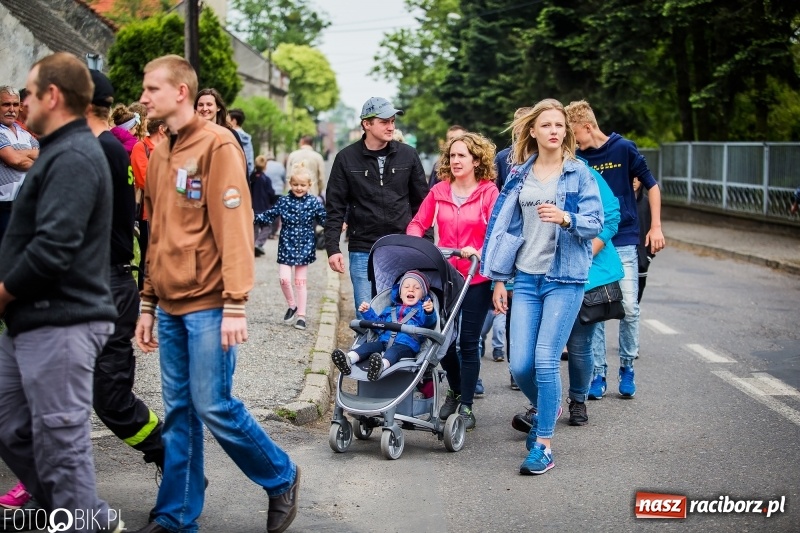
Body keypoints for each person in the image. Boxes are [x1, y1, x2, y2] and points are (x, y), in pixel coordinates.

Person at [135, 54, 300, 533]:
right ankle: (176, 516)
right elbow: (159, 232)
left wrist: (235, 302)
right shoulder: (162, 150)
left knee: (213, 404)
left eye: (152, 88)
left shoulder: (218, 145)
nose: (144, 97)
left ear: (181, 92)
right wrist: (148, 301)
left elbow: (233, 226)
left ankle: (281, 475)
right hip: (169, 305)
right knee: (180, 412)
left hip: (210, 303)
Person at [0, 52, 123, 531]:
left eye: (28, 93)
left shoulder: (73, 154)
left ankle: (79, 519)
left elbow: (54, 249)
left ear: (52, 96)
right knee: (9, 422)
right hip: (32, 319)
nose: (21, 102)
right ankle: (83, 517)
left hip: (62, 319)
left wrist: (3, 293)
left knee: (60, 443)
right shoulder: (56, 149)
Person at [482, 98, 602, 475]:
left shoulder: (578, 173)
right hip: (526, 278)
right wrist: (499, 280)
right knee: (520, 366)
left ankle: (544, 444)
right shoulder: (519, 174)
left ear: (566, 132)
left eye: (559, 125)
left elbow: (595, 222)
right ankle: (550, 405)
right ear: (532, 131)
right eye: (546, 125)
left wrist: (567, 217)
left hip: (564, 278)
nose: (554, 130)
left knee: (546, 359)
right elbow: (505, 230)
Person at [565, 99, 666, 399]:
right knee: (595, 313)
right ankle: (598, 373)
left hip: (623, 239)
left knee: (630, 308)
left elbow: (652, 185)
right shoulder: (578, 159)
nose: (573, 142)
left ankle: (627, 366)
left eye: (575, 134)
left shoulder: (624, 149)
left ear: (586, 126)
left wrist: (656, 226)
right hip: (593, 242)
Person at [511, 169, 622, 432]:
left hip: (581, 271)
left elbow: (610, 217)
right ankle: (544, 405)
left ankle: (578, 399)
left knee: (580, 343)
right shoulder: (524, 173)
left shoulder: (582, 172)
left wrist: (585, 255)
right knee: (537, 353)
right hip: (537, 273)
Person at [407, 131, 499, 430]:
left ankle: (468, 405)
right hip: (446, 277)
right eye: (452, 156)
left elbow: (497, 235)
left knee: (468, 343)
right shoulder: (439, 192)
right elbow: (417, 223)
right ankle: (456, 389)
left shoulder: (488, 193)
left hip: (476, 278)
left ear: (476, 160)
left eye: (462, 156)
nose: (455, 161)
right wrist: (416, 247)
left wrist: (479, 252)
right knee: (442, 340)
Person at [324, 96, 428, 320]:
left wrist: (424, 244)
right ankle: (365, 355)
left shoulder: (408, 155)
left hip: (400, 246)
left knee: (399, 313)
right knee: (366, 314)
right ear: (366, 124)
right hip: (363, 248)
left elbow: (423, 204)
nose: (391, 126)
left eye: (392, 121)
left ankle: (390, 356)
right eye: (384, 122)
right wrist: (332, 248)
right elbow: (335, 206)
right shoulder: (346, 158)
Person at [254, 161, 326, 331]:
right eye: (295, 184)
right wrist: (253, 217)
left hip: (305, 246)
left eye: (302, 185)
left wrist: (339, 224)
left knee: (300, 282)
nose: (299, 188)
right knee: (284, 279)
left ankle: (301, 316)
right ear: (290, 184)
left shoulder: (314, 202)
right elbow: (269, 215)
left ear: (309, 185)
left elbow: (324, 218)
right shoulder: (284, 201)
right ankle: (292, 305)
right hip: (286, 245)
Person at [331, 270, 438, 381]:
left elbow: (429, 323)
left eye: (416, 288)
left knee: (393, 352)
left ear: (422, 296)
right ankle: (348, 359)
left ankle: (380, 366)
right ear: (400, 294)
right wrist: (368, 312)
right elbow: (378, 325)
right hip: (384, 342)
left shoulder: (422, 311)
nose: (411, 289)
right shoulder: (389, 310)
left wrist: (429, 312)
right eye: (406, 287)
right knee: (369, 346)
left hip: (406, 346)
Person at [131, 117, 168, 290]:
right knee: (148, 257)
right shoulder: (141, 147)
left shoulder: (171, 148)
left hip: (170, 213)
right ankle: (144, 299)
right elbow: (145, 181)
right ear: (162, 128)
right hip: (149, 213)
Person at [0, 86, 38, 248]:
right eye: (6, 104)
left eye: (15, 105)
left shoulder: (25, 134)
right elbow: (15, 160)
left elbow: (44, 156)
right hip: (4, 206)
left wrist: (19, 153)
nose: (11, 109)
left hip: (26, 205)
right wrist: (30, 156)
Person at [634, 176, 656, 303]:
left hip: (641, 263)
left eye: (637, 177)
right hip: (620, 259)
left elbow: (653, 230)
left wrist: (647, 257)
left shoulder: (647, 203)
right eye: (631, 176)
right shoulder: (617, 201)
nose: (634, 180)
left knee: (634, 305)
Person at [251, 154, 278, 257]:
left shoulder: (252, 178)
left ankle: (253, 245)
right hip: (264, 208)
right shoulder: (266, 179)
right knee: (267, 228)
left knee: (255, 228)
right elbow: (271, 193)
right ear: (265, 166)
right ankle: (258, 244)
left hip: (253, 208)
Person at [286, 134, 326, 199]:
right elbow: (321, 178)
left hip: (294, 194)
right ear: (312, 144)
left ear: (301, 142)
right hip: (313, 192)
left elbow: (288, 175)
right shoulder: (318, 157)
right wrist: (320, 191)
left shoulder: (292, 155)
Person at [264, 151, 287, 239]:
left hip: (266, 192)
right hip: (278, 191)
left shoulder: (265, 165)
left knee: (268, 210)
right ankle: (273, 232)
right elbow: (284, 178)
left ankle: (266, 230)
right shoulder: (279, 165)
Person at [228, 108, 254, 175]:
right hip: (242, 177)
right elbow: (250, 164)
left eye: (226, 119)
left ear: (233, 121)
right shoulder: (247, 139)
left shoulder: (229, 136)